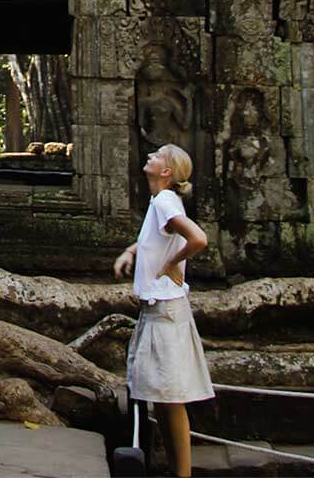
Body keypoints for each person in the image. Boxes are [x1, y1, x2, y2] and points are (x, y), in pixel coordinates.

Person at [113, 144, 213, 478]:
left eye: (157, 155)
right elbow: (153, 238)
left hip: (166, 312)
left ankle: (182, 474)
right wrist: (131, 251)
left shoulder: (166, 201)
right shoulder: (161, 203)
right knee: (164, 400)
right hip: (161, 310)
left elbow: (198, 238)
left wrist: (172, 263)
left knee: (172, 400)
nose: (150, 157)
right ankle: (175, 471)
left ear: (167, 172)